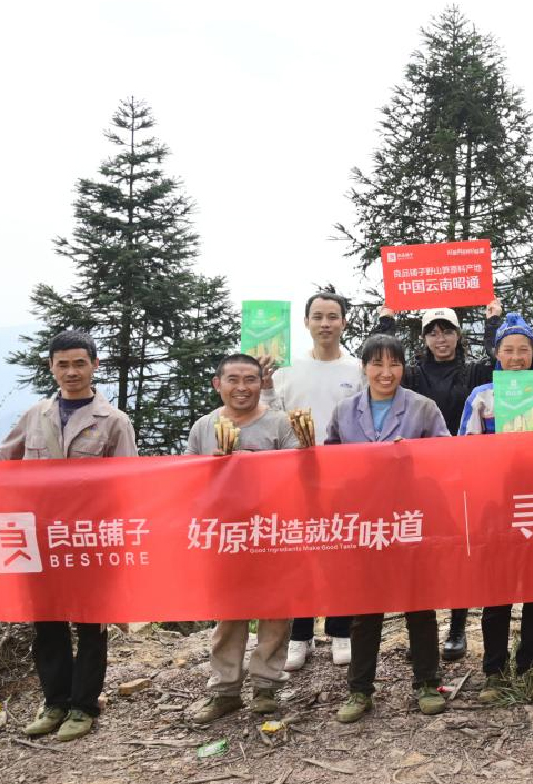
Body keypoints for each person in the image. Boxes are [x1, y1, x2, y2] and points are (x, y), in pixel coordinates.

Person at [0, 330, 137, 742]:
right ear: (51, 367)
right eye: (63, 364)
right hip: (39, 536)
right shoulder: (35, 415)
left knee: (91, 624)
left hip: (89, 537)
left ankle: (84, 706)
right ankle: (54, 702)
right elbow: (1, 462)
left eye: (79, 363)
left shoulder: (114, 421)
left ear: (94, 365)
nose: (71, 372)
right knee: (48, 623)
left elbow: (129, 483)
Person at [328, 334, 452, 724]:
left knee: (419, 603)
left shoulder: (423, 407)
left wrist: (413, 456)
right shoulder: (345, 410)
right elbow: (331, 460)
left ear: (404, 367)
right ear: (363, 368)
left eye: (394, 364)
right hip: (365, 520)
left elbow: (445, 455)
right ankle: (360, 689)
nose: (386, 373)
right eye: (376, 364)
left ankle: (428, 682)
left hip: (410, 517)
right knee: (366, 607)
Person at [378, 301, 502, 662]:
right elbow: (380, 362)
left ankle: (458, 627)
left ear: (458, 335)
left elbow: (500, 365)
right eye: (432, 331)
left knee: (460, 547)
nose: (440, 337)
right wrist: (385, 320)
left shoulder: (474, 373)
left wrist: (493, 321)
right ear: (424, 337)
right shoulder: (413, 375)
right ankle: (423, 629)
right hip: (418, 476)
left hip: (464, 472)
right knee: (422, 549)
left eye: (446, 329)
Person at [188, 354, 308, 724]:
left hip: (272, 530)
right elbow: (188, 482)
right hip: (225, 534)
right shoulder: (204, 427)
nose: (242, 387)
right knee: (229, 614)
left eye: (250, 380)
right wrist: (213, 467)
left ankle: (266, 686)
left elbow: (296, 476)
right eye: (233, 379)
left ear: (262, 382)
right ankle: (225, 690)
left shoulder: (281, 424)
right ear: (217, 384)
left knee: (274, 611)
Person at [458, 313, 533, 703]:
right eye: (509, 350)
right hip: (495, 505)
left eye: (524, 349)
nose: (517, 357)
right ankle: (494, 670)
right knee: (497, 590)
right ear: (496, 354)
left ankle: (531, 664)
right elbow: (464, 450)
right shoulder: (483, 397)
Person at [261, 292, 365, 671]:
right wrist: (268, 384)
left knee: (342, 554)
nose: (325, 324)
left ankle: (340, 631)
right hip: (296, 474)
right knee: (300, 555)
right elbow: (273, 414)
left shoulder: (355, 368)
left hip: (343, 475)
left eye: (333, 317)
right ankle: (299, 636)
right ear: (305, 322)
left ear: (344, 323)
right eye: (318, 316)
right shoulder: (288, 369)